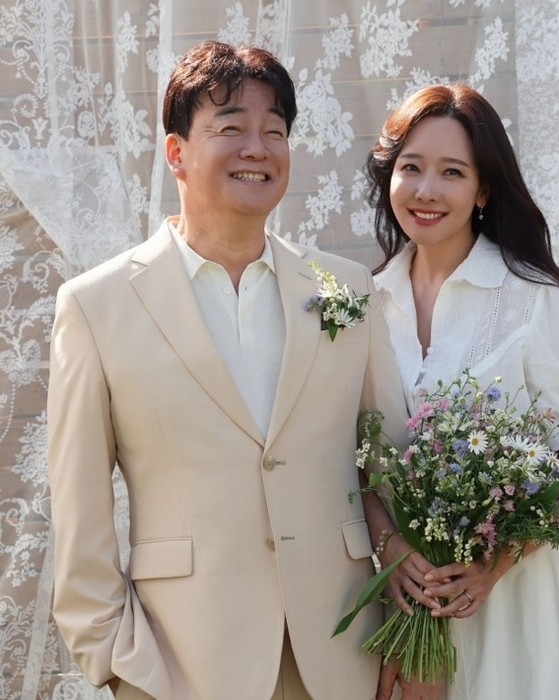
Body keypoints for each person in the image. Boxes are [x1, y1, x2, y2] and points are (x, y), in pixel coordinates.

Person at [47, 41, 411, 700]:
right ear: (176, 152)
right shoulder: (97, 307)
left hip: (341, 659)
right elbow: (80, 511)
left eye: (275, 131)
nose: (258, 148)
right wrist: (118, 662)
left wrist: (405, 634)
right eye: (231, 127)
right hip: (181, 667)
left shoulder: (348, 290)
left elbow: (386, 471)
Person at [367, 84, 559, 699]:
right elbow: (355, 461)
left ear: (483, 190)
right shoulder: (363, 303)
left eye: (452, 172)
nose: (427, 190)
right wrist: (392, 549)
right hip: (404, 603)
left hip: (516, 609)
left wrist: (490, 567)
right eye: (411, 168)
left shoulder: (537, 302)